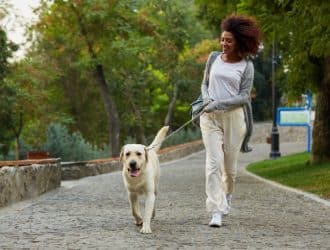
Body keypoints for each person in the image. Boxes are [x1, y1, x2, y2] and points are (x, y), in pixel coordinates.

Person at [199, 14, 262, 227]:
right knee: (213, 163)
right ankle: (216, 210)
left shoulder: (246, 67)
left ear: (239, 43)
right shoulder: (213, 58)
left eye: (229, 40)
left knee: (230, 171)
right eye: (222, 39)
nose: (223, 44)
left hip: (234, 119)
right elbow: (204, 84)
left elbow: (244, 96)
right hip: (209, 118)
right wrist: (207, 98)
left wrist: (219, 103)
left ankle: (227, 196)